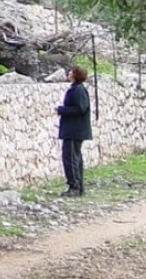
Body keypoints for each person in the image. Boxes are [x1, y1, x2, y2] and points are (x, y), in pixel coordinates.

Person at [56, 64, 93, 196]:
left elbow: (81, 108)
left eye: (71, 72)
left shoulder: (78, 90)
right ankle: (78, 186)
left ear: (76, 75)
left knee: (71, 159)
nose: (69, 73)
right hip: (74, 130)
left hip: (74, 131)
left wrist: (62, 110)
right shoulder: (77, 89)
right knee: (74, 158)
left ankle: (75, 186)